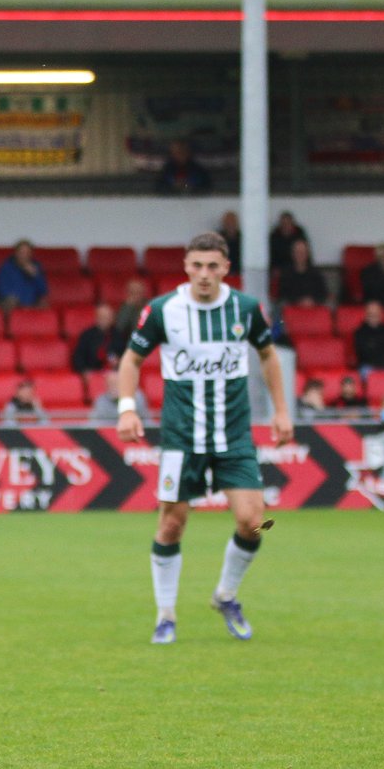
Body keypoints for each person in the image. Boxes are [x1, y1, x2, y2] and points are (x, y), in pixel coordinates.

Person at [117, 232, 292, 646]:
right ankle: (165, 615)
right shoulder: (163, 310)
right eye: (197, 265)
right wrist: (127, 406)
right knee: (172, 524)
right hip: (181, 438)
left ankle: (226, 595)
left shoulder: (246, 309)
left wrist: (281, 410)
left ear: (226, 269)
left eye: (213, 266)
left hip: (233, 436)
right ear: (186, 267)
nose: (204, 275)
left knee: (255, 522)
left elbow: (268, 355)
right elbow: (131, 359)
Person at [71, 303, 128, 375]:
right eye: (101, 317)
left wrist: (119, 361)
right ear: (96, 318)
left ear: (112, 319)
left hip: (114, 372)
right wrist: (84, 371)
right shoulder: (87, 335)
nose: (104, 320)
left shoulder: (119, 335)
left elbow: (127, 357)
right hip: (92, 372)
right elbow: (78, 358)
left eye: (107, 317)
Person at [0, 239, 49, 311]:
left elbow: (43, 290)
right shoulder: (6, 267)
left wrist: (35, 276)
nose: (24, 256)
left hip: (32, 302)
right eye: (21, 252)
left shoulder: (36, 267)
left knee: (44, 304)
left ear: (31, 254)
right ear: (16, 253)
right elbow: (2, 289)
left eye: (27, 253)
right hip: (10, 301)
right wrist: (17, 299)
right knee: (11, 302)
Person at [276, 239, 329, 307]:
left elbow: (323, 294)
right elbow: (282, 295)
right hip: (292, 308)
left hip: (314, 309)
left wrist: (312, 301)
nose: (300, 255)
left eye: (303, 252)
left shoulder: (316, 273)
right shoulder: (286, 274)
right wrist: (299, 302)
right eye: (297, 252)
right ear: (292, 254)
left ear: (307, 254)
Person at [354, 300, 384, 377]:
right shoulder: (359, 333)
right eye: (371, 314)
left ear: (382, 315)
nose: (374, 316)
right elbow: (363, 353)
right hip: (368, 367)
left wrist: (374, 345)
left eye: (376, 313)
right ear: (365, 315)